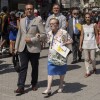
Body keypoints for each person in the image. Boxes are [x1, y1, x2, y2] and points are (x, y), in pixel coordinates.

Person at [14, 3, 46, 94]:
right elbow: (19, 34)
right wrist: (16, 48)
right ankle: (21, 86)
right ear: (25, 10)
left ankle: (34, 83)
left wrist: (32, 39)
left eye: (31, 9)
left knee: (34, 67)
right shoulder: (22, 20)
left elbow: (43, 35)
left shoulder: (38, 20)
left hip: (34, 48)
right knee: (23, 67)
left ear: (33, 10)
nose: (29, 10)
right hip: (22, 48)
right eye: (27, 9)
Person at [42, 18, 73, 95]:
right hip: (51, 55)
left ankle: (61, 85)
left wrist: (65, 43)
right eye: (50, 24)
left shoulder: (63, 32)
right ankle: (48, 88)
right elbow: (47, 41)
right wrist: (40, 38)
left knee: (61, 72)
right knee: (50, 71)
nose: (52, 25)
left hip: (61, 55)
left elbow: (71, 40)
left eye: (54, 23)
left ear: (58, 24)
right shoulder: (49, 33)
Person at [79, 13, 98, 78]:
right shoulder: (82, 26)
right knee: (86, 59)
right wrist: (80, 45)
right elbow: (81, 35)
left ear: (90, 18)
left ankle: (94, 67)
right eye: (86, 17)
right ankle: (87, 71)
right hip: (85, 44)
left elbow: (96, 34)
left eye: (88, 17)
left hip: (92, 44)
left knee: (93, 58)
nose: (87, 18)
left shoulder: (94, 25)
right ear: (85, 18)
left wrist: (97, 42)